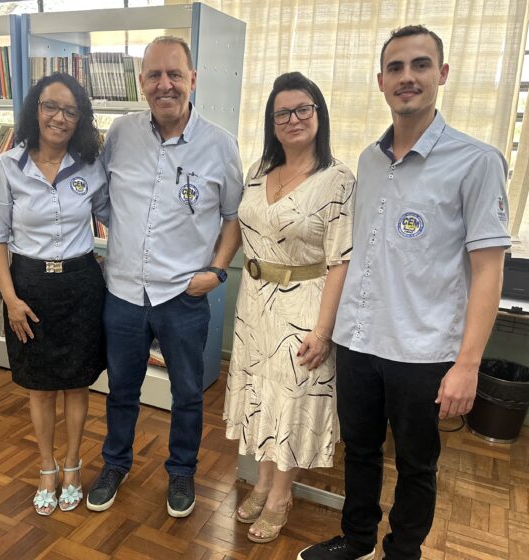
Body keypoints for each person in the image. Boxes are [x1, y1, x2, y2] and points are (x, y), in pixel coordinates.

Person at [298, 25, 510, 560]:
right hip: (359, 341)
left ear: (440, 75)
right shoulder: (368, 161)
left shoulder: (477, 162)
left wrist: (468, 364)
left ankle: (403, 551)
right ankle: (357, 538)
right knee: (361, 452)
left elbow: (488, 270)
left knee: (417, 463)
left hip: (423, 350)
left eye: (420, 66)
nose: (407, 77)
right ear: (381, 81)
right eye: (396, 68)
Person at [85, 36, 244, 518]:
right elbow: (102, 198)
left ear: (193, 79)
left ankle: (181, 472)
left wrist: (216, 271)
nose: (164, 84)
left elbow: (234, 216)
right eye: (154, 75)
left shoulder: (220, 145)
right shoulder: (121, 133)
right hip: (125, 294)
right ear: (142, 83)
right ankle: (116, 463)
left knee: (189, 393)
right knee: (122, 389)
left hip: (183, 296)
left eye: (174, 74)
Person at [224, 72, 355, 544]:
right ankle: (261, 481)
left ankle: (281, 495)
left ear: (319, 114)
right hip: (255, 302)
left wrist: (324, 331)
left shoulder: (337, 179)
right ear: (272, 122)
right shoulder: (259, 169)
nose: (294, 119)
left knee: (293, 401)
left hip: (305, 304)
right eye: (283, 113)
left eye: (304, 109)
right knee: (261, 397)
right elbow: (240, 227)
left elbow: (341, 260)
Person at [0, 72, 108, 516]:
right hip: (29, 287)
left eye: (70, 111)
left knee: (77, 383)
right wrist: (10, 298)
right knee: (39, 387)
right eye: (50, 106)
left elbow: (115, 216)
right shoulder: (6, 168)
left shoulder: (90, 166)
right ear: (34, 109)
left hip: (80, 284)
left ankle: (73, 465)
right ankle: (46, 467)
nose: (59, 117)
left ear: (80, 119)